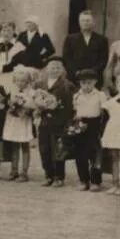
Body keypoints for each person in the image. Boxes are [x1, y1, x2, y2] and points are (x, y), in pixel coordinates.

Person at [35, 57, 75, 188]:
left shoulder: (67, 85)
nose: (55, 70)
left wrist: (57, 108)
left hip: (59, 122)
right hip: (44, 121)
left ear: (62, 69)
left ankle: (59, 176)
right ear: (47, 69)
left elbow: (70, 106)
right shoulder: (40, 84)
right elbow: (34, 99)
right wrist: (38, 108)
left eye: (58, 67)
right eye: (52, 67)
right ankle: (48, 175)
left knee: (57, 149)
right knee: (44, 149)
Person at [72, 69, 106, 192]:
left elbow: (103, 112)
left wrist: (102, 129)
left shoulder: (100, 95)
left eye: (89, 83)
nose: (86, 86)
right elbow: (75, 111)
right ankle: (83, 180)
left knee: (94, 153)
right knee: (80, 154)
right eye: (83, 83)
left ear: (95, 82)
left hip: (94, 124)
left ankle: (95, 181)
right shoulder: (76, 95)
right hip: (80, 124)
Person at [2, 66, 35, 182]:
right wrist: (11, 106)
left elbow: (33, 106)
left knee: (25, 146)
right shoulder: (11, 91)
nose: (21, 83)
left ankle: (24, 172)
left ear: (28, 81)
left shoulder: (31, 92)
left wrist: (26, 109)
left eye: (24, 81)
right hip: (13, 121)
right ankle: (14, 170)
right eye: (18, 80)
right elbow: (6, 104)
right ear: (14, 80)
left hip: (24, 121)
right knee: (14, 146)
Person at [62, 10, 109, 87]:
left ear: (93, 22)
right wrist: (76, 72)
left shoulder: (102, 39)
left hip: (94, 77)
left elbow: (103, 59)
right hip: (75, 78)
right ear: (79, 22)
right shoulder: (70, 39)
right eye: (83, 21)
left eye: (88, 20)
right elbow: (67, 58)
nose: (85, 23)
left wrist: (92, 72)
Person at [0, 22, 25, 90]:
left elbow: (14, 64)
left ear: (13, 31)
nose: (6, 33)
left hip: (12, 78)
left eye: (9, 30)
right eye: (4, 30)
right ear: (0, 32)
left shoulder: (19, 46)